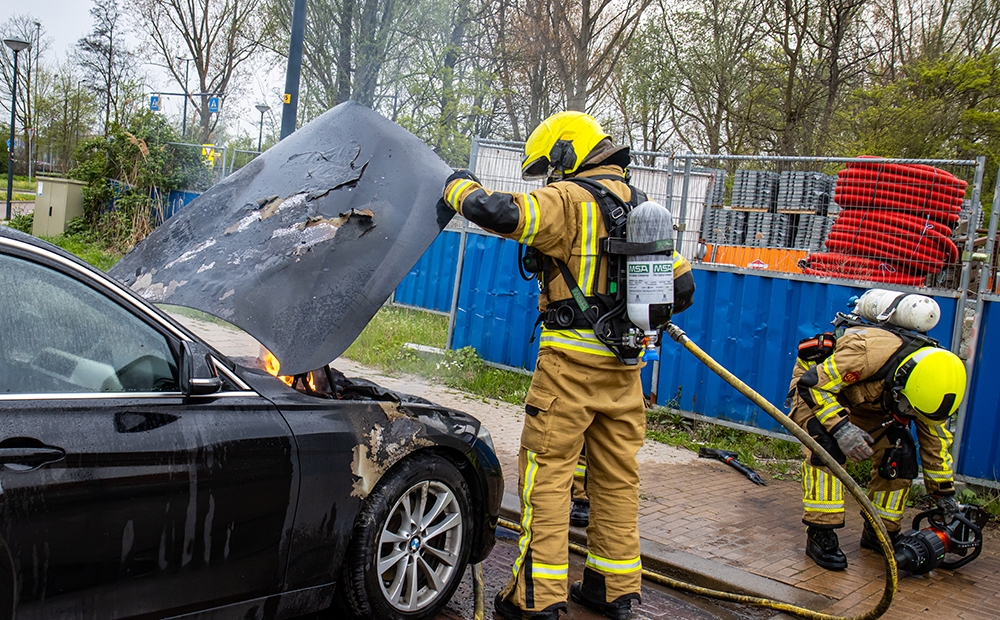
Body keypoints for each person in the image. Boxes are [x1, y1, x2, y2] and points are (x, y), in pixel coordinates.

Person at [442, 111, 695, 620]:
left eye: (551, 167)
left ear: (566, 153)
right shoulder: (643, 206)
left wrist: (456, 188)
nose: (550, 179)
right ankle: (615, 590)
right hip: (626, 371)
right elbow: (683, 290)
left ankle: (536, 600)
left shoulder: (568, 200)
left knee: (548, 479)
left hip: (569, 369)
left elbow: (503, 214)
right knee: (617, 480)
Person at [786, 313, 966, 570]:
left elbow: (935, 441)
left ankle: (880, 532)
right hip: (815, 389)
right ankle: (820, 534)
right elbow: (813, 386)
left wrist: (943, 492)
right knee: (826, 448)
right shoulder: (866, 352)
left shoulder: (931, 386)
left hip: (869, 403)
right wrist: (841, 428)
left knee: (900, 454)